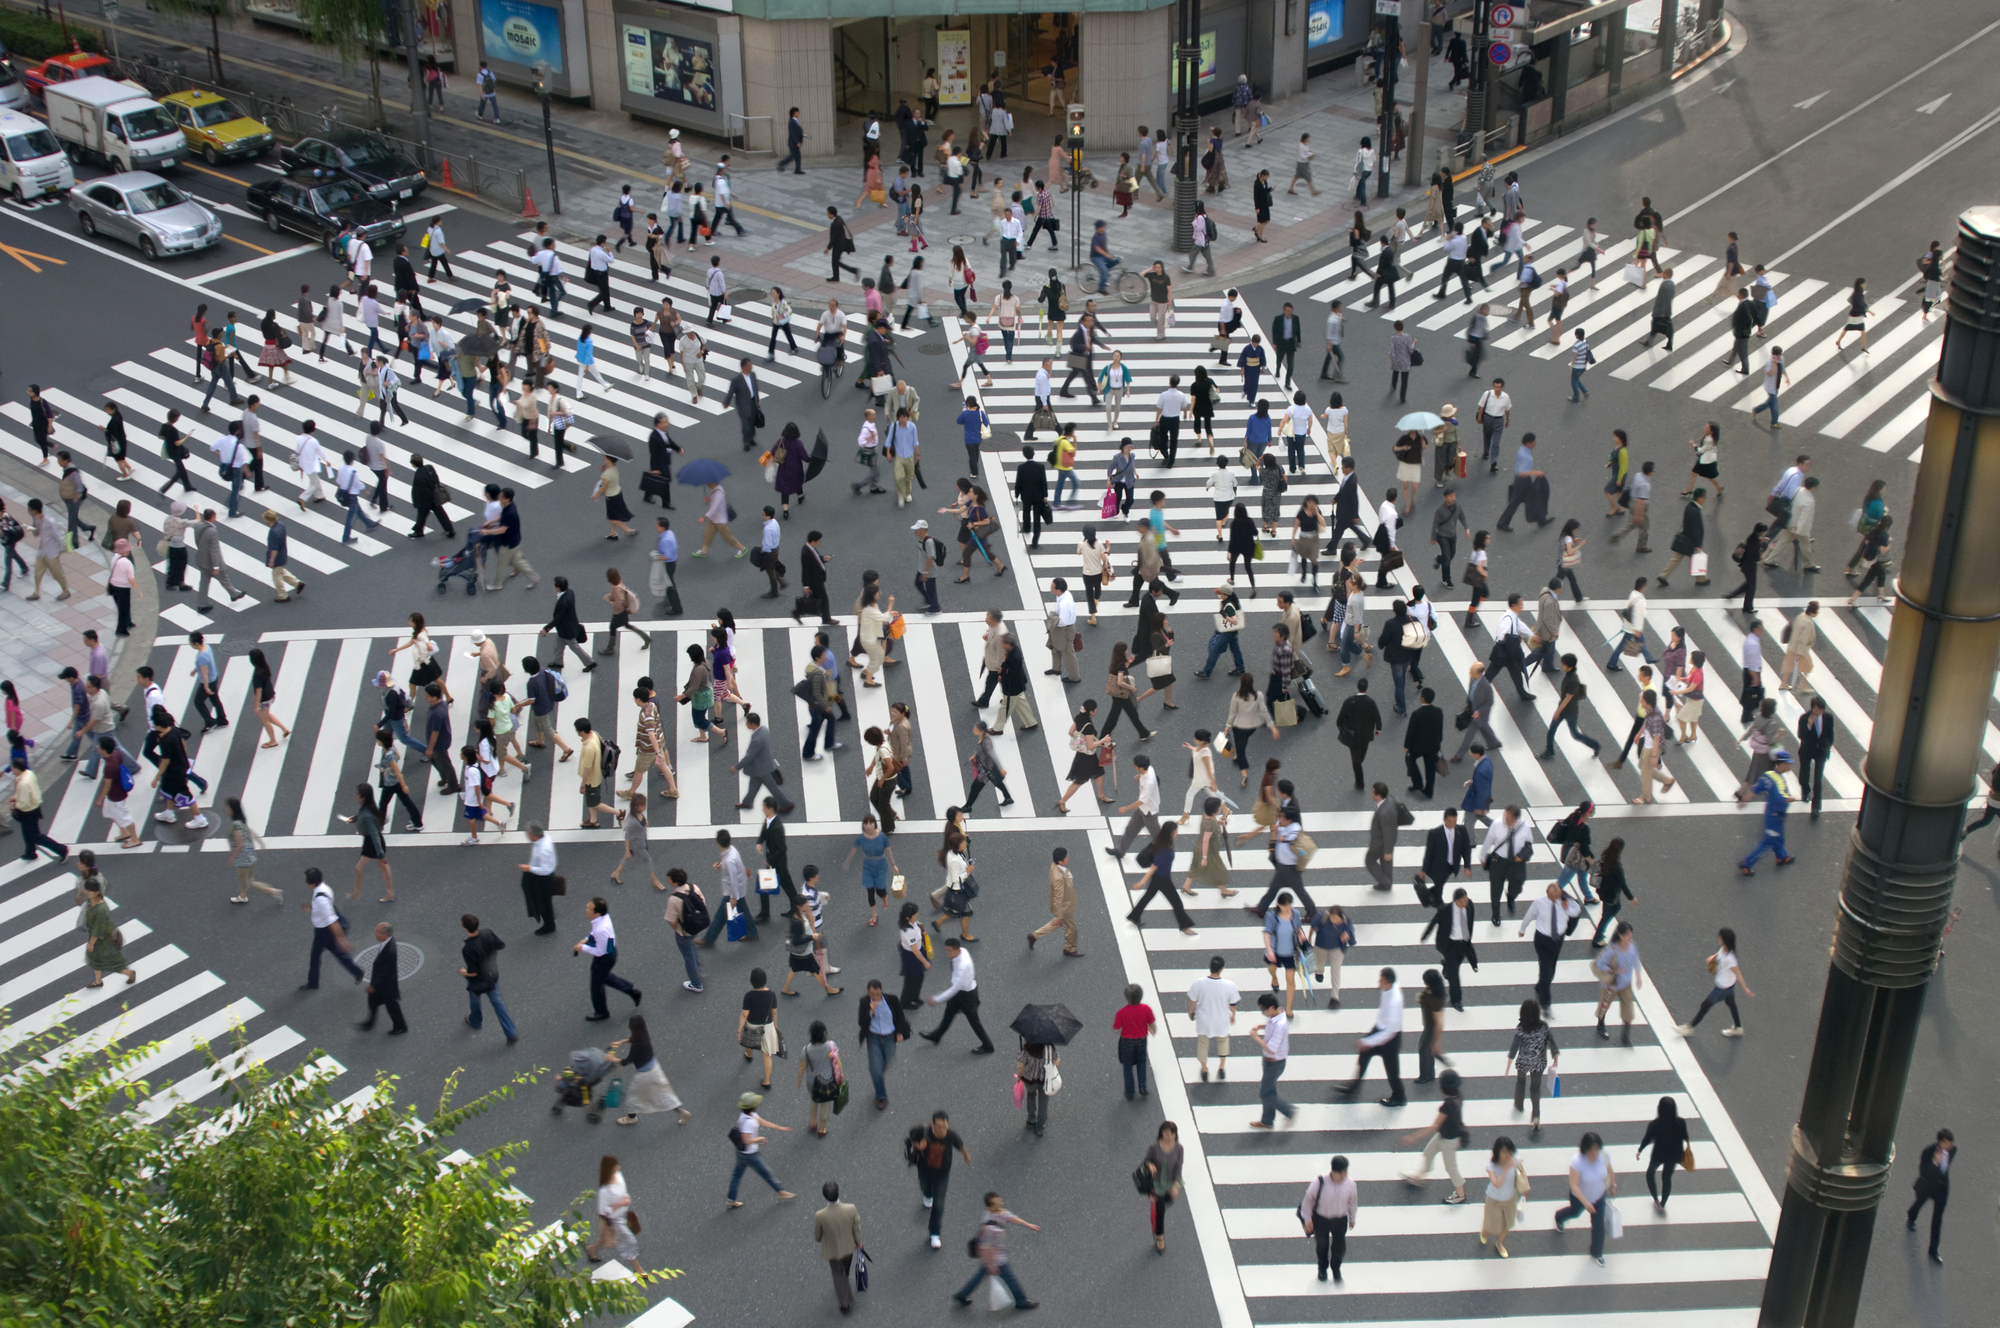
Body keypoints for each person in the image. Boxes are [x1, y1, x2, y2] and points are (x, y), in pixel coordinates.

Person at [952, 1192, 1039, 1309]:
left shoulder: (996, 1212)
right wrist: (991, 1264)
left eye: (1001, 1201)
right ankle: (1021, 1300)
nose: (1001, 1204)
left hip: (993, 1255)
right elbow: (987, 1247)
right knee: (1010, 1278)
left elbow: (1011, 1217)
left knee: (979, 1275)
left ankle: (962, 1294)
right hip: (996, 1257)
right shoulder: (991, 1228)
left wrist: (1028, 1225)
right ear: (991, 1205)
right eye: (998, 1202)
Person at [1334, 968, 1407, 1106]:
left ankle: (1399, 1097)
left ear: (1388, 983)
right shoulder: (1387, 989)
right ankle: (1353, 1088)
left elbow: (1389, 1032)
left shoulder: (1394, 1003)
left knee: (1392, 1071)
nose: (1378, 982)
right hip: (1379, 1029)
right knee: (1363, 1056)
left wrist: (1368, 1041)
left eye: (1381, 980)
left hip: (1390, 1039)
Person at [1400, 1068, 1470, 1202]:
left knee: (1451, 1167)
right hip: (1445, 1135)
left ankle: (1461, 1194)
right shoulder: (1458, 1097)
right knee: (1428, 1152)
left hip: (1448, 1140)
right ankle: (1418, 1177)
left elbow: (1434, 1126)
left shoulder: (1447, 1106)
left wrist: (1412, 1137)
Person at [921, 935, 994, 1052]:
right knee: (949, 1012)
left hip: (967, 995)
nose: (947, 953)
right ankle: (937, 1035)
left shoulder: (962, 966)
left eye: (949, 950)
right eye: (946, 950)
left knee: (974, 1022)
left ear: (957, 949)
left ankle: (988, 1046)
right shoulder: (962, 951)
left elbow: (954, 989)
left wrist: (937, 999)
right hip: (964, 991)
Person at [909, 1110, 970, 1248]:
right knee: (925, 1187)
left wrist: (965, 1155)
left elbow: (960, 1145)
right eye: (938, 1126)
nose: (942, 1129)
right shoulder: (924, 1132)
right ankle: (927, 1195)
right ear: (932, 1125)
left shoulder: (951, 1136)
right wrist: (919, 1146)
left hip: (942, 1174)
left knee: (939, 1204)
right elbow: (911, 1140)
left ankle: (934, 1233)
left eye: (944, 1126)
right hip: (924, 1171)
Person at [1555, 1132, 1617, 1266]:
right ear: (1585, 1149)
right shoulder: (1577, 1162)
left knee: (1598, 1225)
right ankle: (1559, 1217)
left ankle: (1597, 1252)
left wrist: (1613, 1185)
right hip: (1580, 1198)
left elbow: (1610, 1169)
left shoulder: (1604, 1154)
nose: (1594, 1153)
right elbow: (1574, 1185)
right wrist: (1586, 1203)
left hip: (1599, 1196)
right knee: (1574, 1212)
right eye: (1591, 1149)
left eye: (1597, 1149)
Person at [725, 1091, 795, 1208]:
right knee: (766, 1172)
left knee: (736, 1175)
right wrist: (759, 1138)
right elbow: (747, 1140)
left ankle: (731, 1199)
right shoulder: (750, 1122)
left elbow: (761, 1121)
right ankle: (781, 1192)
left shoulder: (746, 1115)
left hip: (740, 1152)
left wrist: (779, 1127)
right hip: (750, 1154)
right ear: (753, 1106)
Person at [300, 867, 363, 989]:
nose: (305, 882)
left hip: (323, 932)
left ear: (311, 883)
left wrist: (342, 939)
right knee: (337, 952)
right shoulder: (324, 889)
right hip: (326, 931)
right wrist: (312, 908)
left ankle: (313, 983)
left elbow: (332, 920)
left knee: (315, 957)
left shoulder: (320, 899)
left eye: (306, 880)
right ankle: (356, 971)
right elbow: (326, 908)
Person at [1299, 1157, 1359, 1283]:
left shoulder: (1350, 1184)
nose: (1343, 1176)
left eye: (1345, 1172)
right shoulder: (1319, 1182)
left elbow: (1352, 1202)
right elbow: (1308, 1201)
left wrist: (1352, 1218)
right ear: (1333, 1172)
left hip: (1340, 1220)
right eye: (1340, 1173)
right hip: (1322, 1220)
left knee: (1339, 1247)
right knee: (1322, 1245)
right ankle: (1322, 1268)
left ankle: (1336, 1268)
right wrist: (1307, 1219)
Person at [1906, 1128, 1955, 1264]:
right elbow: (1924, 1172)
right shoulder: (1928, 1152)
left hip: (1942, 1190)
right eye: (1947, 1142)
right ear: (1940, 1142)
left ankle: (1933, 1250)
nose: (1950, 1145)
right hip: (1928, 1187)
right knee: (1919, 1203)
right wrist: (1935, 1162)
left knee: (1937, 1220)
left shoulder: (1953, 1150)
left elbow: (1947, 1167)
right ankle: (1911, 1216)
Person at [814, 1180, 863, 1313]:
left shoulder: (820, 1215)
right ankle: (844, 1279)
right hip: (848, 1246)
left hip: (833, 1250)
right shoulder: (851, 1208)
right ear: (839, 1193)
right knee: (845, 1268)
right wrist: (858, 1241)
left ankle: (844, 1301)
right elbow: (856, 1227)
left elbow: (817, 1236)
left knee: (836, 1272)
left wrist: (820, 1239)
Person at [1247, 992, 1294, 1128]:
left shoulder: (1280, 1024)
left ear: (1272, 1007)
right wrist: (1262, 1026)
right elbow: (1271, 1025)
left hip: (1275, 1063)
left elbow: (1272, 1049)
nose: (1263, 1013)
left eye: (1264, 1010)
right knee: (1269, 1091)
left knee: (1265, 1094)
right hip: (1270, 1062)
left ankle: (1288, 1111)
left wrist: (1256, 1038)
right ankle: (1267, 1121)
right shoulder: (1277, 1015)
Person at [1143, 1122, 1185, 1254]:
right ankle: (1160, 1238)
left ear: (1174, 1135)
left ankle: (1158, 1207)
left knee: (1166, 1203)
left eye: (1170, 1134)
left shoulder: (1179, 1149)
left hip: (1171, 1183)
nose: (1167, 1136)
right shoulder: (1154, 1148)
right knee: (1160, 1212)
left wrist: (1176, 1185)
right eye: (1165, 1133)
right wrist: (1150, 1165)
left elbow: (1178, 1168)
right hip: (1157, 1184)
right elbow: (1146, 1161)